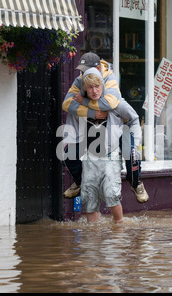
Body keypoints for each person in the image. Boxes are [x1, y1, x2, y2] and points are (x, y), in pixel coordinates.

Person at [61, 52, 149, 203]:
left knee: (132, 155)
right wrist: (93, 113)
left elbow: (110, 104)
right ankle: (80, 182)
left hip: (120, 127)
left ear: (97, 68)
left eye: (85, 70)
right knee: (69, 154)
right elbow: (67, 104)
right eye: (81, 71)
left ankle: (136, 183)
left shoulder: (111, 79)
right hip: (96, 128)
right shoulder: (80, 79)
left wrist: (83, 101)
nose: (82, 74)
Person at [79, 68, 142, 223]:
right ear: (85, 89)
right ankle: (92, 241)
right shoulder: (81, 104)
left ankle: (118, 233)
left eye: (97, 87)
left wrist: (134, 143)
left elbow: (134, 118)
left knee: (111, 194)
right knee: (89, 198)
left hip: (111, 155)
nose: (94, 91)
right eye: (90, 87)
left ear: (102, 86)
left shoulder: (116, 103)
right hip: (89, 157)